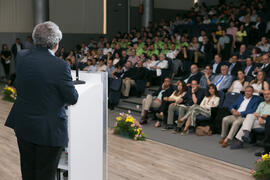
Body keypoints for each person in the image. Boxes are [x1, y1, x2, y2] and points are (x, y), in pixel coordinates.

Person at [5, 21, 79, 180]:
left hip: (24, 125)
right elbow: (72, 98)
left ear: (35, 39)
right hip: (48, 131)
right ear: (56, 43)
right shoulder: (60, 66)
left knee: (28, 171)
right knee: (45, 174)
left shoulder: (22, 57)